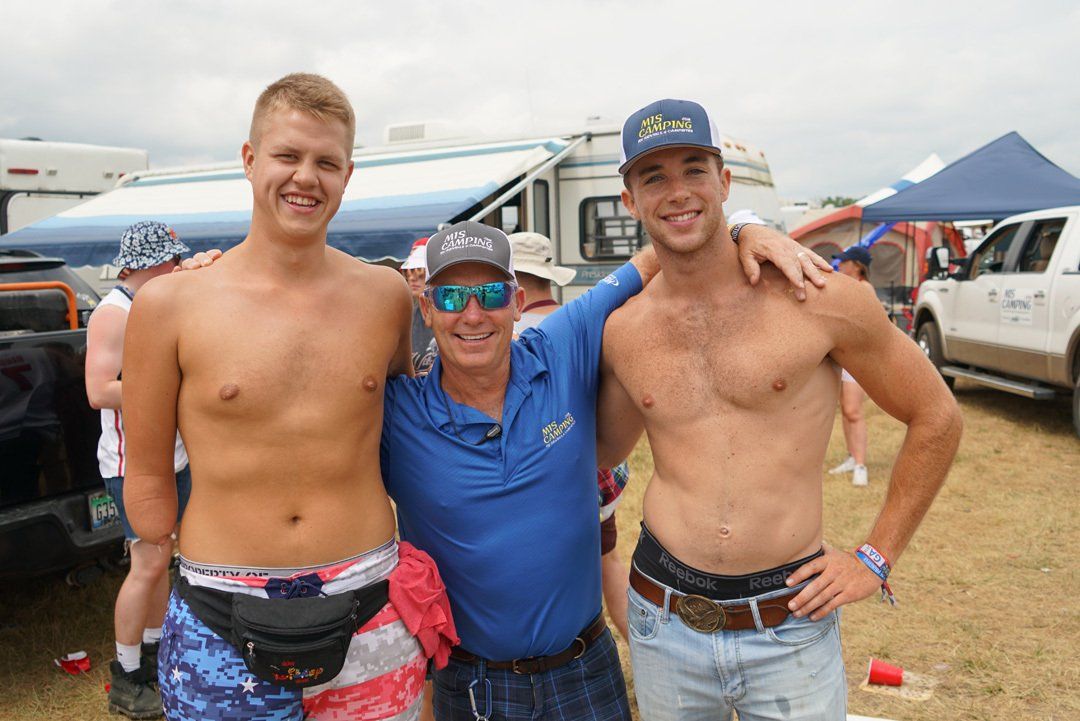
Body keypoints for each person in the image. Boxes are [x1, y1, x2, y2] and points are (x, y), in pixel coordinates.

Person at [599, 98, 963, 720]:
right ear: (630, 201)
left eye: (694, 168)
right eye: (654, 176)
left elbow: (937, 415)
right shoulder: (623, 329)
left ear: (725, 182)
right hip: (663, 618)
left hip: (790, 623)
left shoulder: (816, 298)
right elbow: (600, 453)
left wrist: (874, 557)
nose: (677, 191)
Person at [381, 219, 826, 721]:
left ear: (517, 302)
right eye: (451, 298)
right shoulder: (396, 414)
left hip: (584, 669)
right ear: (426, 308)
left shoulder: (560, 346)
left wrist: (743, 228)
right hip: (471, 683)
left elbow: (657, 252)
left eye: (490, 293)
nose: (472, 314)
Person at [122, 73, 454, 721]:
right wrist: (157, 556)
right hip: (221, 608)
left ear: (348, 174)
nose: (306, 177)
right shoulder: (168, 305)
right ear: (249, 160)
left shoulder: (386, 297)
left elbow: (401, 425)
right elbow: (148, 468)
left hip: (370, 604)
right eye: (287, 155)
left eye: (326, 162)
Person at [85, 220, 192, 719]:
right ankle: (125, 679)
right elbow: (99, 390)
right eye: (169, 261)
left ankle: (153, 657)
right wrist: (166, 384)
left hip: (170, 457)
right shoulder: (115, 312)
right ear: (146, 264)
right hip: (133, 462)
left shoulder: (155, 304)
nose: (175, 267)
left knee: (162, 561)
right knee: (146, 564)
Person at [828, 246, 874, 486]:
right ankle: (851, 456)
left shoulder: (864, 290)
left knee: (853, 411)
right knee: (846, 409)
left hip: (857, 360)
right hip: (843, 357)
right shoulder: (849, 288)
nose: (839, 266)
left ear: (857, 266)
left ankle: (860, 465)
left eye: (844, 262)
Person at [402, 237, 436, 358]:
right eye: (409, 273)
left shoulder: (445, 311)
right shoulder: (407, 313)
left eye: (420, 274)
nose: (412, 279)